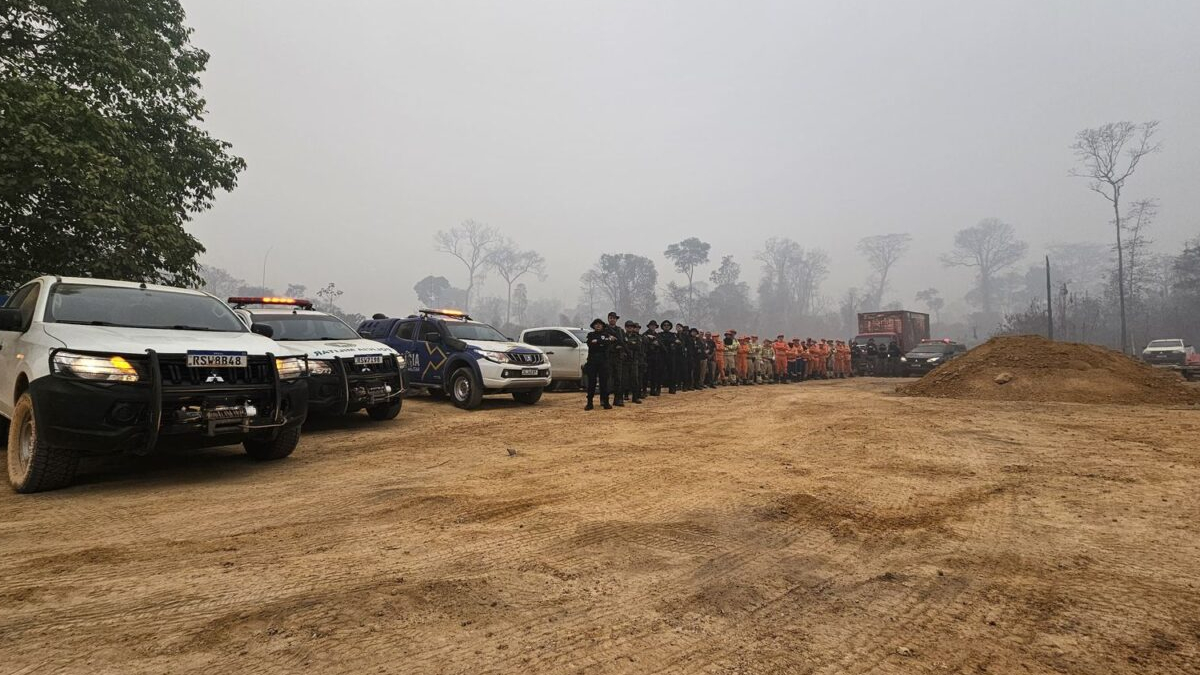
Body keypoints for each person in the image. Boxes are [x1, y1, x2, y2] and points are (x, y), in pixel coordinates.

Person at [583, 318, 612, 410]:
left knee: (604, 383)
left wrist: (598, 342)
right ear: (594, 326)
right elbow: (590, 345)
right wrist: (600, 343)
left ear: (603, 326)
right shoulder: (590, 335)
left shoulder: (606, 334)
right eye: (596, 324)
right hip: (592, 361)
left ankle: (606, 402)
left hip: (604, 361)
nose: (598, 325)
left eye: (600, 324)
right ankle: (589, 403)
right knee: (591, 382)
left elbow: (607, 344)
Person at [605, 311, 627, 406]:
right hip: (608, 357)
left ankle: (618, 399)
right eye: (611, 318)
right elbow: (603, 342)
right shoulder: (605, 330)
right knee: (607, 379)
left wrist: (622, 350)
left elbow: (624, 343)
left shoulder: (620, 331)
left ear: (616, 320)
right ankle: (605, 400)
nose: (612, 319)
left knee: (619, 378)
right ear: (608, 319)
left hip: (618, 357)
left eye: (614, 318)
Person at [623, 320, 644, 403]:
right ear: (625, 327)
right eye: (628, 326)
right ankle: (624, 395)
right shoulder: (623, 336)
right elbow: (622, 345)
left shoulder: (637, 336)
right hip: (624, 360)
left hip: (634, 360)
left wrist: (628, 344)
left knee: (635, 379)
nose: (629, 328)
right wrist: (631, 344)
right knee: (624, 379)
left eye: (631, 327)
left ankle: (635, 397)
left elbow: (638, 346)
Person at [643, 320, 663, 396]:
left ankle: (653, 390)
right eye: (651, 325)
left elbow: (661, 345)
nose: (653, 327)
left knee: (655, 374)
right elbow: (643, 342)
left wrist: (657, 344)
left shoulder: (657, 335)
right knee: (646, 374)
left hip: (656, 357)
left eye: (654, 326)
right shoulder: (645, 334)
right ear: (649, 326)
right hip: (647, 356)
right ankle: (644, 390)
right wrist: (650, 342)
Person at [659, 319, 679, 394]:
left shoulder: (673, 334)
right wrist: (671, 341)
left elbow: (678, 343)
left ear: (670, 327)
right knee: (660, 372)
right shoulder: (660, 334)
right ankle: (658, 388)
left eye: (668, 325)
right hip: (662, 355)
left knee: (672, 372)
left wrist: (671, 342)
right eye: (665, 325)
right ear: (662, 327)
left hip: (671, 356)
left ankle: (672, 388)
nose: (666, 326)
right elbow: (661, 341)